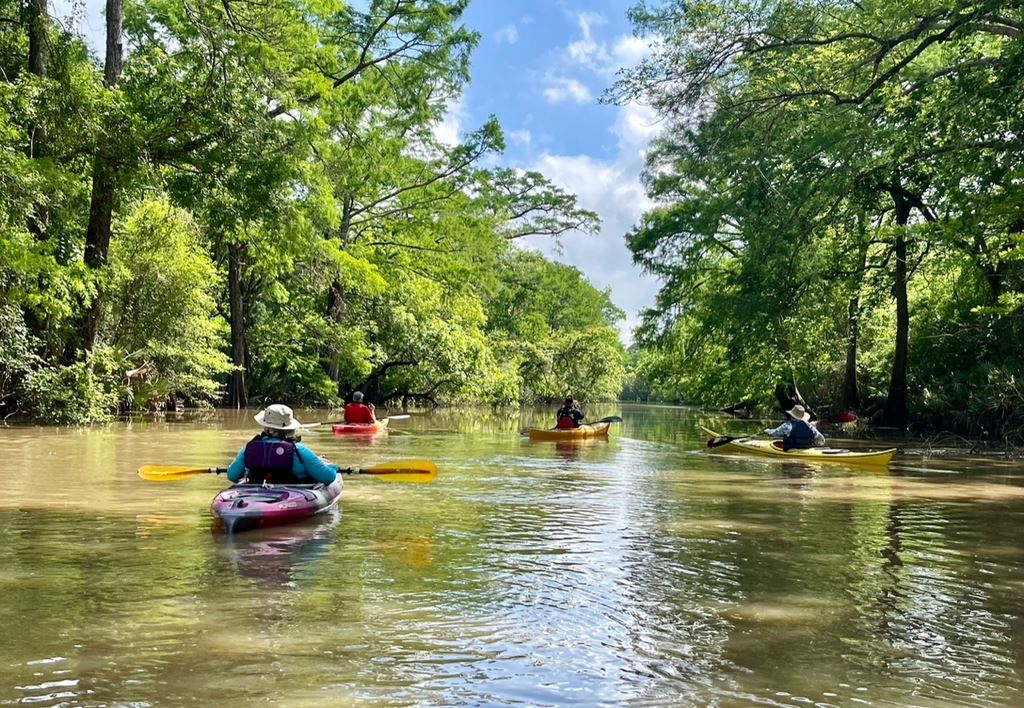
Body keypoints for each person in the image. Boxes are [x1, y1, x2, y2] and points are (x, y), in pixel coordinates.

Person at [227, 404, 339, 485]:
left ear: (266, 427)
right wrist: (333, 468)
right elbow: (327, 477)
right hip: (293, 495)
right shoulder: (298, 450)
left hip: (256, 491)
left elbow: (232, 476)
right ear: (289, 429)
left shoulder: (249, 448)